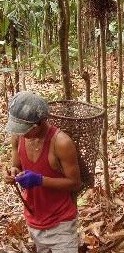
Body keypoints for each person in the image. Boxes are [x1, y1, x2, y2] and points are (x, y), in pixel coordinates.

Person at [4, 91, 81, 253]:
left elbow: (75, 183)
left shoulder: (61, 143)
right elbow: (16, 165)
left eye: (26, 130)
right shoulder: (18, 137)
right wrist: (12, 173)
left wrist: (40, 180)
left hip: (61, 223)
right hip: (34, 220)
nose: (22, 133)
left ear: (39, 123)